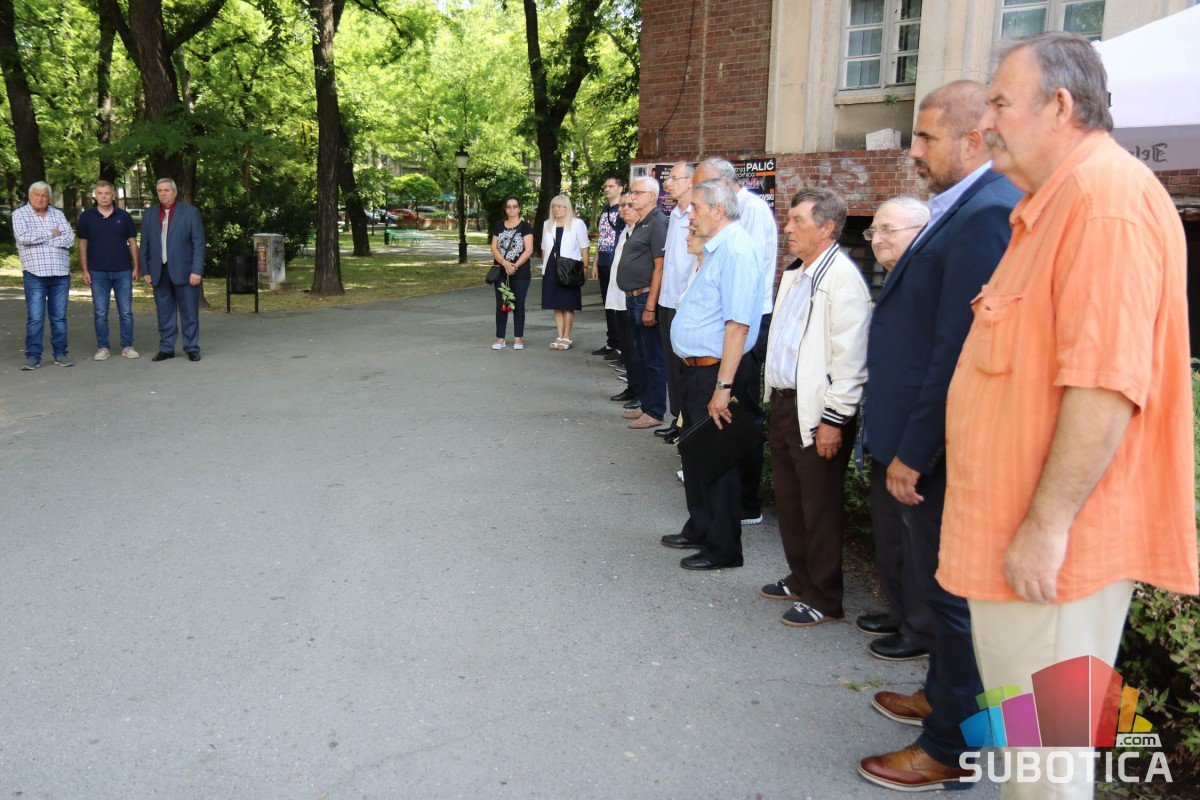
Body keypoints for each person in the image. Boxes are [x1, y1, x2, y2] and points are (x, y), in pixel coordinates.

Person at [937, 34, 1197, 799]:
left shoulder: (1102, 203)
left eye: (999, 103)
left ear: (1059, 105)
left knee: (1044, 772)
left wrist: (1046, 527)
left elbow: (1105, 386)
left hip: (1053, 559)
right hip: (1027, 547)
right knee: (1030, 763)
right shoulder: (1059, 203)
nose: (985, 122)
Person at [857, 80, 1023, 793]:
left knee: (954, 599)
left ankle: (952, 744)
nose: (913, 150)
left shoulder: (987, 213)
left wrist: (914, 451)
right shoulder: (963, 206)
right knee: (938, 588)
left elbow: (956, 350)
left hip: (939, 450)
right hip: (920, 440)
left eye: (925, 137)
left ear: (972, 139)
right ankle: (941, 698)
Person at [759, 188, 871, 627]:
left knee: (819, 506)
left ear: (826, 227)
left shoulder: (842, 279)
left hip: (817, 411)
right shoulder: (797, 273)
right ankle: (801, 577)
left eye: (797, 221)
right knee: (791, 500)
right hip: (786, 403)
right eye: (788, 220)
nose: (787, 228)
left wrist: (834, 420)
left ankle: (825, 597)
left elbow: (850, 360)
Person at [659, 179, 764, 569]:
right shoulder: (716, 249)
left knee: (718, 460)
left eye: (697, 208)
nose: (691, 215)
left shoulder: (735, 250)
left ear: (718, 210)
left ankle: (723, 547)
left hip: (715, 373)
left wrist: (723, 386)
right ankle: (700, 527)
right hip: (695, 370)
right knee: (695, 452)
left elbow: (738, 325)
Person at [854, 196, 929, 653]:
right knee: (889, 529)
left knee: (913, 534)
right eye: (873, 231)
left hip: (912, 435)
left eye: (888, 229)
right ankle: (899, 611)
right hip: (885, 430)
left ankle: (919, 628)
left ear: (922, 232)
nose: (877, 239)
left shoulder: (926, 280)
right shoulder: (895, 278)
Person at [690, 157, 777, 526]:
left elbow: (739, 287)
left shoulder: (749, 215)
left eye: (699, 190)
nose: (692, 200)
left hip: (742, 327)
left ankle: (745, 502)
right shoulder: (728, 219)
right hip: (726, 328)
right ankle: (717, 503)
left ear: (721, 188)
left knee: (737, 413)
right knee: (718, 419)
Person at [615, 176, 669, 429]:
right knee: (640, 355)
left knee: (652, 357)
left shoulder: (658, 222)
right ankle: (646, 404)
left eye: (638, 193)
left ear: (652, 196)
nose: (632, 196)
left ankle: (655, 410)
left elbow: (660, 266)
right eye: (632, 192)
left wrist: (650, 306)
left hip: (645, 298)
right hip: (633, 297)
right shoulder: (642, 222)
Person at [140, 178, 205, 362]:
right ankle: (166, 348)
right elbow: (145, 244)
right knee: (164, 312)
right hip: (158, 271)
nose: (163, 193)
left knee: (189, 312)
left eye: (167, 190)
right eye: (160, 190)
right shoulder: (150, 214)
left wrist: (197, 270)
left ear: (175, 193)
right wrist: (146, 270)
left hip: (186, 271)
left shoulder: (190, 212)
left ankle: (191, 348)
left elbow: (198, 243)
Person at [654, 162, 695, 444]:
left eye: (674, 178)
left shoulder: (697, 214)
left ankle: (687, 423)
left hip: (685, 302)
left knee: (685, 366)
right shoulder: (674, 215)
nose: (668, 183)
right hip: (667, 300)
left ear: (691, 181)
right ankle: (677, 418)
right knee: (671, 364)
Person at [77, 180, 141, 361]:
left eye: (107, 193)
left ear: (113, 195)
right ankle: (103, 347)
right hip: (97, 272)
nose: (104, 197)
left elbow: (133, 243)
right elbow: (82, 245)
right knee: (100, 312)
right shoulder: (87, 217)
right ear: (95, 195)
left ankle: (127, 346)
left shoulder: (124, 216)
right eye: (100, 193)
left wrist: (136, 267)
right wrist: (84, 270)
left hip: (123, 270)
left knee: (126, 312)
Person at [14, 181, 75, 370]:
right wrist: (51, 233)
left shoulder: (57, 214)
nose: (40, 199)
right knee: (36, 318)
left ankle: (60, 353)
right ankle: (33, 356)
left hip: (60, 273)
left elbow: (69, 239)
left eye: (44, 195)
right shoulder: (20, 214)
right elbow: (23, 238)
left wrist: (42, 239)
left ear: (49, 198)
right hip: (35, 273)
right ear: (30, 196)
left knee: (59, 318)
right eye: (37, 195)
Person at [606, 195, 643, 410]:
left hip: (632, 299)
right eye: (622, 205)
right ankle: (632, 386)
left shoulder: (641, 232)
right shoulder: (625, 231)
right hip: (618, 298)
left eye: (629, 205)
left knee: (636, 349)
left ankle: (641, 392)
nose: (624, 209)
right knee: (627, 349)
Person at [539, 194, 589, 351]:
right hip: (551, 267)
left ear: (567, 208)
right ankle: (559, 336)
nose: (557, 209)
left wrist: (585, 268)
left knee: (568, 304)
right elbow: (543, 248)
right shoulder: (547, 224)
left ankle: (567, 337)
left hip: (569, 268)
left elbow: (585, 247)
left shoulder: (577, 224)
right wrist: (545, 267)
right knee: (556, 304)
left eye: (560, 206)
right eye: (554, 206)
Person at [489, 196, 535, 350]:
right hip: (501, 272)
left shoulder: (525, 227)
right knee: (501, 304)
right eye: (509, 206)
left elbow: (529, 250)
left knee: (518, 305)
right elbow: (493, 248)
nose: (512, 209)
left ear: (519, 208)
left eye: (515, 206)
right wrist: (504, 263)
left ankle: (518, 338)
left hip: (520, 272)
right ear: (505, 209)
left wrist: (515, 266)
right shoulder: (499, 226)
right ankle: (500, 339)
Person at [591, 175, 625, 357]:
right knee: (607, 303)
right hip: (604, 260)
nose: (607, 189)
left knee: (617, 304)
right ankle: (611, 342)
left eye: (611, 186)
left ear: (620, 188)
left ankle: (621, 345)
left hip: (616, 261)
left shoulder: (624, 209)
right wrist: (595, 263)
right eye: (605, 186)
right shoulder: (604, 211)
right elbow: (601, 238)